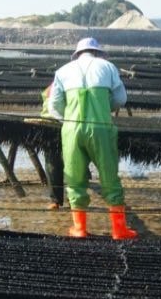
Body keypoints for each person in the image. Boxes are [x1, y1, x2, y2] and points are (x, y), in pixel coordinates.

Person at [48, 37, 137, 240]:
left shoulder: (62, 71)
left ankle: (79, 229)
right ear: (97, 52)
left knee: (74, 178)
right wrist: (106, 108)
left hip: (71, 129)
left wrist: (69, 119)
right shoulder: (108, 67)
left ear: (77, 54)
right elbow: (121, 98)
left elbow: (54, 105)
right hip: (101, 128)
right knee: (109, 176)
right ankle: (119, 230)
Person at [40, 83, 65, 209]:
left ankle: (73, 199)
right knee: (52, 165)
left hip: (68, 125)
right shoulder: (51, 88)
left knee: (71, 163)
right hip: (50, 126)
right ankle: (55, 200)